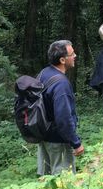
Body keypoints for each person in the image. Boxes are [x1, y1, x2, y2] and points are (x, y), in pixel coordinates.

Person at [36, 39, 84, 176]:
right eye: (72, 54)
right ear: (63, 60)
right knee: (63, 181)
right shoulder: (61, 84)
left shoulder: (43, 73)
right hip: (58, 141)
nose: (75, 56)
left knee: (46, 179)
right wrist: (76, 142)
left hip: (44, 135)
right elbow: (64, 118)